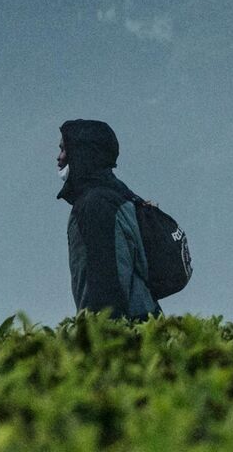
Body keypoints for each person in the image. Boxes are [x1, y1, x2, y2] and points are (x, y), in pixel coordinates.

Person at [56, 119, 160, 320]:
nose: (59, 158)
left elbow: (105, 284)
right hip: (144, 321)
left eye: (64, 150)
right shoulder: (119, 196)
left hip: (128, 335)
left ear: (81, 154)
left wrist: (99, 338)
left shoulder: (95, 205)